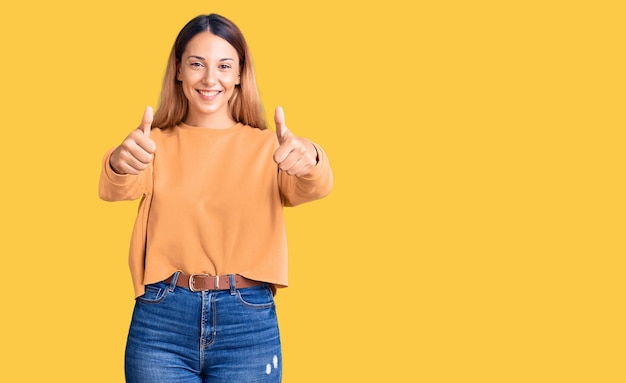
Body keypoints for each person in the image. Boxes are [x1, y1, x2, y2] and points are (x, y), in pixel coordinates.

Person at [98, 13, 333, 383]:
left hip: (247, 321)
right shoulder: (153, 145)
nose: (210, 79)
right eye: (197, 64)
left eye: (224, 65)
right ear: (178, 70)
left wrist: (312, 157)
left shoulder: (270, 148)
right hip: (162, 317)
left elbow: (313, 186)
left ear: (240, 74)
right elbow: (115, 188)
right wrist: (119, 159)